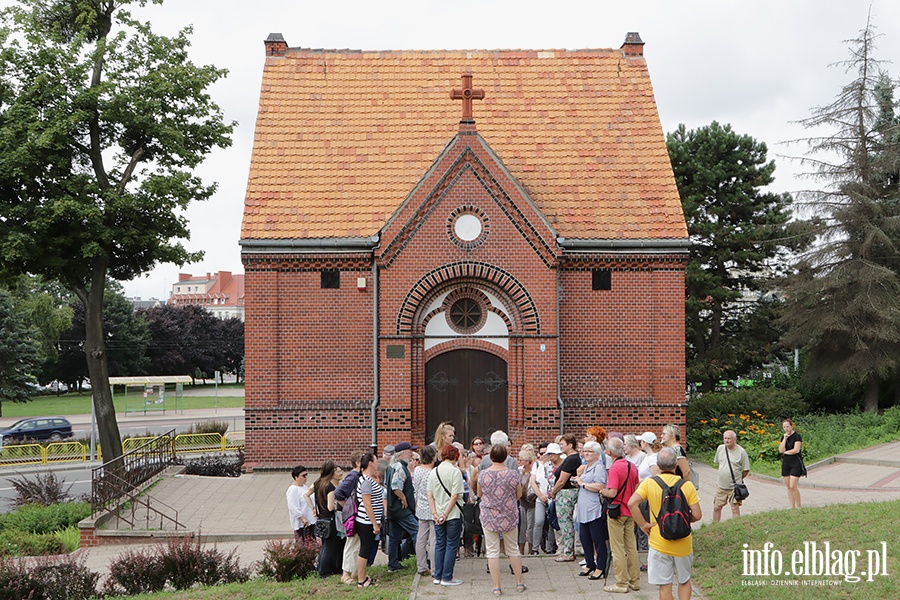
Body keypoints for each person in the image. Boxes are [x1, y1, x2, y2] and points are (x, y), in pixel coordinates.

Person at [628, 447, 702, 600]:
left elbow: (631, 503)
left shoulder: (649, 484)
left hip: (658, 540)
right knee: (684, 580)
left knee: (664, 584)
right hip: (683, 543)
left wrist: (643, 524)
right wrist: (684, 521)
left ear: (658, 466)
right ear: (676, 465)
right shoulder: (686, 485)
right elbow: (697, 515)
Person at [477, 443, 527, 596]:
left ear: (490, 457)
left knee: (492, 551)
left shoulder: (483, 474)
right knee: (513, 549)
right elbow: (519, 494)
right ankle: (519, 583)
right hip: (509, 515)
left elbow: (479, 494)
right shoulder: (512, 474)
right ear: (506, 457)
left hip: (489, 516)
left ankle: (497, 587)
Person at [601, 437, 640, 594]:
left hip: (617, 512)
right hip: (630, 510)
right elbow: (637, 487)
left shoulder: (615, 468)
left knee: (617, 549)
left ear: (609, 452)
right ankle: (635, 581)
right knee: (631, 547)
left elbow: (612, 492)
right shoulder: (632, 466)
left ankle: (621, 583)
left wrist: (601, 491)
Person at [427, 444, 465, 586]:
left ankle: (437, 576)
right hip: (453, 513)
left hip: (437, 513)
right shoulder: (455, 472)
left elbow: (429, 495)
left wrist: (435, 513)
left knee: (439, 544)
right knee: (451, 545)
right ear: (456, 456)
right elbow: (455, 496)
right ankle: (447, 577)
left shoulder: (434, 471)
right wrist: (445, 514)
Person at [571, 441, 608, 581]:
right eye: (585, 451)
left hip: (593, 508)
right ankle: (589, 563)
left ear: (597, 454)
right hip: (583, 508)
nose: (585, 453)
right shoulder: (587, 467)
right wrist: (577, 481)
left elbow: (600, 485)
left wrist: (583, 483)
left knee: (597, 539)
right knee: (584, 538)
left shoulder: (599, 467)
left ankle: (600, 567)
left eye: (589, 451)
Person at [385, 441, 419, 572]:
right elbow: (395, 486)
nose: (411, 454)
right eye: (410, 451)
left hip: (393, 508)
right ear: (403, 453)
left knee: (394, 537)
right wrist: (403, 498)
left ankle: (393, 563)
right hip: (402, 509)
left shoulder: (391, 466)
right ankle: (423, 560)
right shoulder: (400, 467)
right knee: (417, 531)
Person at [355, 453, 384, 589]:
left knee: (365, 549)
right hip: (366, 521)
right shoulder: (366, 481)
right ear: (371, 463)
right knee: (365, 550)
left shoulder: (365, 479)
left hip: (368, 520)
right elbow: (367, 503)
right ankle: (361, 580)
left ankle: (364, 576)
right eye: (376, 461)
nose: (377, 464)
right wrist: (374, 523)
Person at [549, 433, 580, 562]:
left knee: (565, 523)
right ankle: (568, 550)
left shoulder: (571, 459)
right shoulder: (569, 458)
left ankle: (568, 552)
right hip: (565, 492)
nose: (560, 446)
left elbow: (562, 480)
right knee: (565, 523)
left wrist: (553, 492)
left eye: (562, 444)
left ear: (570, 445)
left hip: (566, 493)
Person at [335, 450, 364, 585]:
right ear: (357, 463)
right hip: (352, 516)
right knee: (351, 544)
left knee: (356, 544)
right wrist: (348, 506)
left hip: (356, 514)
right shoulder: (353, 476)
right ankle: (345, 574)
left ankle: (354, 572)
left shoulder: (358, 475)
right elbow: (338, 492)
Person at [312, 460, 345, 577]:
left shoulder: (318, 483)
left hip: (321, 519)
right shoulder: (330, 487)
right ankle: (324, 572)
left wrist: (313, 508)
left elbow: (306, 494)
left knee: (325, 545)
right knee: (329, 546)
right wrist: (339, 505)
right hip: (330, 520)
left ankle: (321, 569)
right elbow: (330, 507)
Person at [712, 430, 751, 522]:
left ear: (734, 439)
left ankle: (736, 527)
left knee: (734, 509)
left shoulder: (741, 452)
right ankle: (715, 526)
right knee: (716, 507)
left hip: (734, 487)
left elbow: (746, 469)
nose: (726, 440)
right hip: (721, 485)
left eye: (729, 438)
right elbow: (718, 463)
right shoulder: (720, 448)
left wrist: (739, 479)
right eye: (725, 438)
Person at [414, 445, 438, 576]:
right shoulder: (433, 473)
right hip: (432, 507)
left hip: (421, 507)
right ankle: (435, 567)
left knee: (421, 538)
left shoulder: (417, 470)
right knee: (434, 540)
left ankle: (421, 566)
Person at [779, 418, 803, 509]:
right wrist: (784, 439)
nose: (786, 429)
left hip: (795, 463)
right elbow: (781, 449)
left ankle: (799, 505)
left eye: (788, 427)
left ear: (791, 426)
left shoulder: (797, 436)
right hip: (786, 463)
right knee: (788, 487)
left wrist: (786, 452)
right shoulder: (783, 437)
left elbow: (796, 450)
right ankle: (792, 506)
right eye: (784, 427)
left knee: (793, 486)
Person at [286, 465, 315, 539]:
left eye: (306, 475)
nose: (305, 478)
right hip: (302, 524)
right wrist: (303, 518)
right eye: (303, 476)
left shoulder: (304, 487)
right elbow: (293, 507)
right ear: (296, 477)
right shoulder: (293, 490)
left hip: (310, 520)